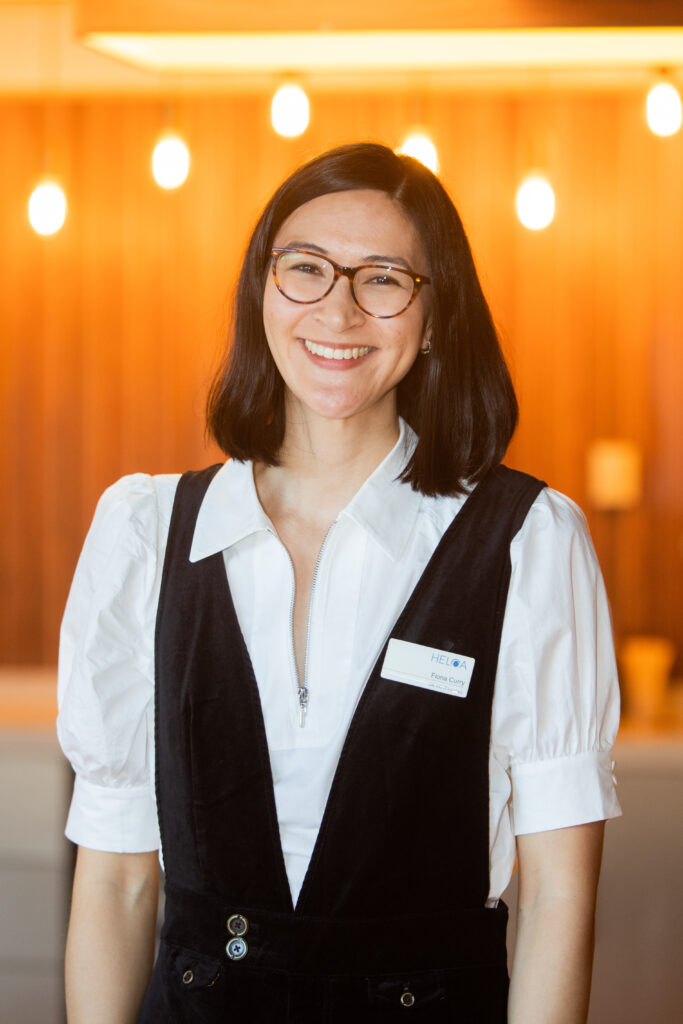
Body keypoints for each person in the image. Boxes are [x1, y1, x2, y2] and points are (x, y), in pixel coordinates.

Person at [57, 141, 621, 1023]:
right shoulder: (146, 531)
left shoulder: (528, 543)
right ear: (263, 291)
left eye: (384, 279)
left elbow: (555, 898)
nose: (340, 309)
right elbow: (120, 882)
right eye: (307, 269)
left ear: (434, 319)